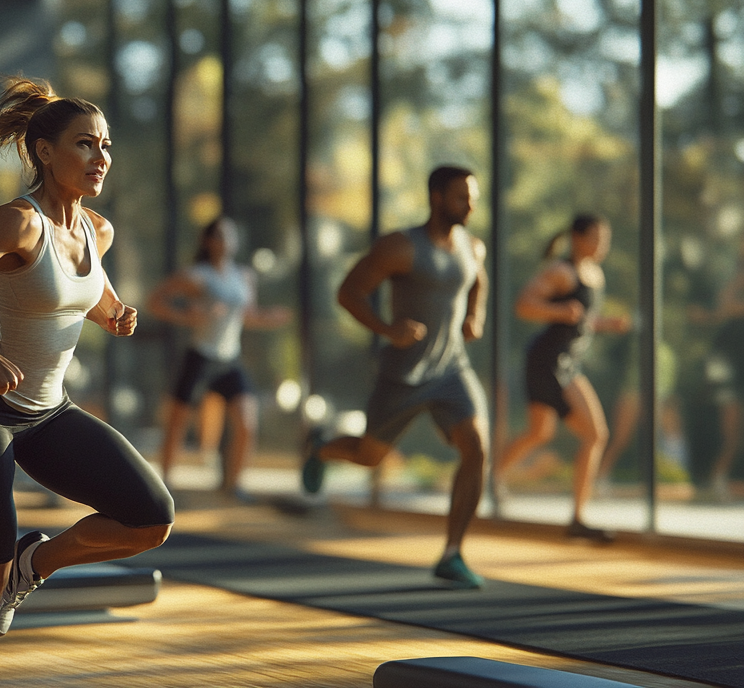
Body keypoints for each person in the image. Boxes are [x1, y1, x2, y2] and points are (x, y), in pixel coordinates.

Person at [0, 76, 174, 688]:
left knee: (151, 519)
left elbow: (81, 290)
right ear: (44, 151)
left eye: (105, 146)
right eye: (85, 145)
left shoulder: (97, 230)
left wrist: (113, 311)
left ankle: (36, 563)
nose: (100, 158)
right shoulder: (17, 223)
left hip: (49, 414)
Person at [302, 165, 490, 589]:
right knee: (369, 456)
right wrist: (388, 330)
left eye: (473, 196)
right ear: (438, 198)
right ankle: (321, 448)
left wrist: (474, 315)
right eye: (462, 196)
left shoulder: (472, 247)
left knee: (477, 447)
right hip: (403, 373)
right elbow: (348, 292)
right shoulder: (400, 247)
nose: (471, 204)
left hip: (452, 369)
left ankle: (452, 553)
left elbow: (478, 281)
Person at [496, 214, 629, 542]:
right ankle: (578, 519)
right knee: (596, 434)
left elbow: (582, 318)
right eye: (597, 238)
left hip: (566, 362)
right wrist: (558, 311)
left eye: (606, 239)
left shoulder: (594, 275)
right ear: (577, 238)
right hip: (548, 361)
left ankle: (489, 478)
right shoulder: (561, 271)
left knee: (539, 432)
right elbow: (523, 305)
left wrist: (606, 324)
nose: (603, 245)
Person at [148, 216, 291, 498]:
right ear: (209, 241)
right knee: (177, 420)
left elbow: (248, 316)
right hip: (200, 356)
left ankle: (234, 485)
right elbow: (155, 301)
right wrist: (187, 315)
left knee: (247, 421)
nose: (228, 241)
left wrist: (270, 318)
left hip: (229, 360)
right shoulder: (198, 275)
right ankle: (164, 483)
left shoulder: (244, 276)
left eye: (232, 235)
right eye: (222, 235)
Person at [686, 244, 744, 502]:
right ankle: (715, 479)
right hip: (727, 361)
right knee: (729, 425)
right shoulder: (730, 279)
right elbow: (722, 310)